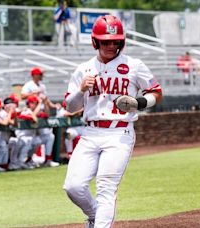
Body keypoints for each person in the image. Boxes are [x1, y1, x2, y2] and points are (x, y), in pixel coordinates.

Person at [63, 15, 163, 227]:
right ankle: (95, 215)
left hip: (119, 132)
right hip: (90, 132)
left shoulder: (134, 65)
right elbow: (70, 107)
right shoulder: (84, 69)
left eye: (115, 40)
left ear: (121, 41)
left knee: (106, 187)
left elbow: (156, 91)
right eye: (105, 40)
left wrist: (140, 102)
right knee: (73, 187)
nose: (110, 45)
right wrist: (81, 90)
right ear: (95, 41)